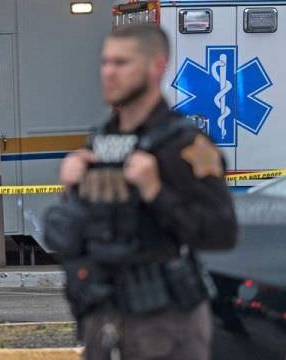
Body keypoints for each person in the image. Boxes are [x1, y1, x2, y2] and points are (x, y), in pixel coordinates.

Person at [56, 24, 237, 359]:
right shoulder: (101, 142)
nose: (109, 72)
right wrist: (71, 193)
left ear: (156, 66)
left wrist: (156, 191)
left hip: (165, 321)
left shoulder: (184, 145)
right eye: (105, 62)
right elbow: (83, 233)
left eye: (122, 63)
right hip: (104, 314)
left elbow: (221, 231)